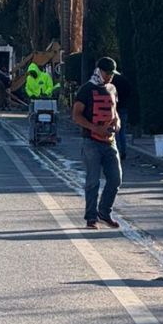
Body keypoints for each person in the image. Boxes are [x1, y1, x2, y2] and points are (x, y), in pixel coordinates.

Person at [72, 56, 122, 230]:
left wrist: (117, 123)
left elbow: (115, 112)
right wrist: (94, 127)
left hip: (110, 142)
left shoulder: (112, 89)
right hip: (91, 142)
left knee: (115, 179)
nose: (110, 77)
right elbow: (76, 115)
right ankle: (91, 218)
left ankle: (104, 212)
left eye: (112, 74)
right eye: (107, 73)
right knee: (93, 181)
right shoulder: (86, 90)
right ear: (99, 71)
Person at [110, 68, 135, 161]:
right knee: (122, 131)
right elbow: (129, 92)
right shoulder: (124, 80)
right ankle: (123, 151)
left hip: (113, 109)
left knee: (114, 131)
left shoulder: (110, 81)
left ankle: (117, 151)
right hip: (123, 107)